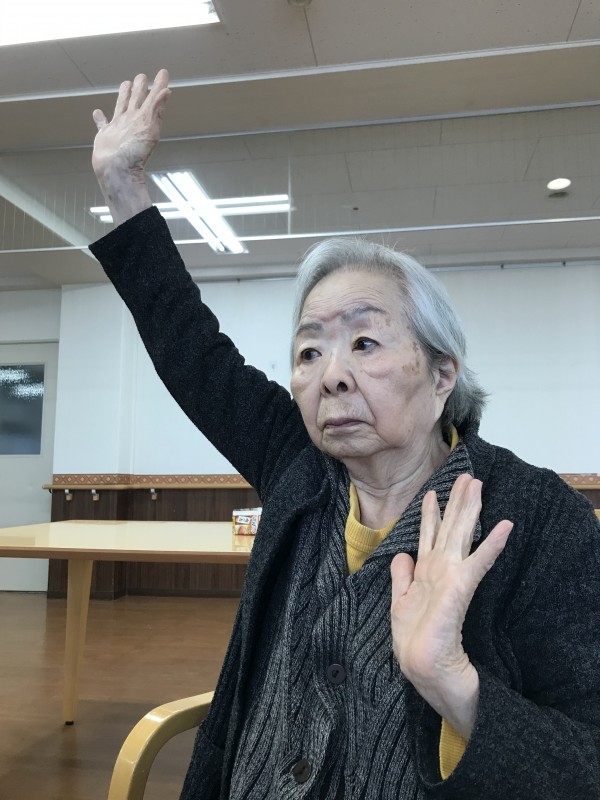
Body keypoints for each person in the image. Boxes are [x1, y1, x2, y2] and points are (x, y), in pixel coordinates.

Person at [89, 70, 600, 800]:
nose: (330, 375)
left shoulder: (541, 522)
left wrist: (453, 683)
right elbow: (193, 351)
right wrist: (122, 186)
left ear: (442, 374)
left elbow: (585, 761)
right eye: (309, 351)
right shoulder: (297, 468)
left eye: (364, 343)